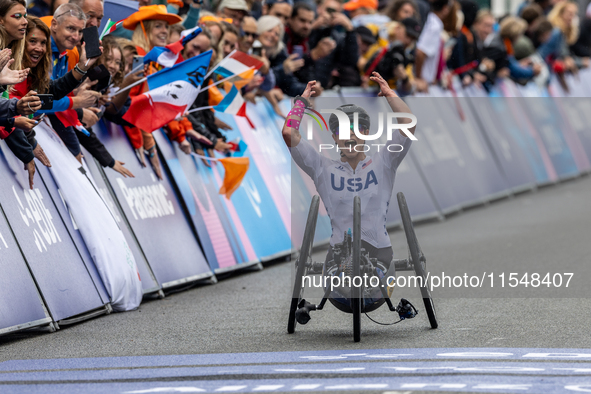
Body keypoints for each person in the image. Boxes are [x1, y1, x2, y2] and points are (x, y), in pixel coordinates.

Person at [282, 72, 415, 312]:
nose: (350, 136)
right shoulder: (322, 167)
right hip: (337, 257)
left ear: (366, 134)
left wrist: (390, 95)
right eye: (343, 132)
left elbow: (409, 124)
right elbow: (289, 134)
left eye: (357, 130)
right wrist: (300, 104)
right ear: (334, 137)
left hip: (380, 253)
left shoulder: (384, 161)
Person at [122, 4, 182, 179]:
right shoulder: (137, 58)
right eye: (158, 26)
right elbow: (130, 105)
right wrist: (145, 144)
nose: (165, 31)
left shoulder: (151, 61)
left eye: (166, 26)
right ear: (144, 29)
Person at [414, 0, 452, 92]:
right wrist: (419, 78)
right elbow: (420, 52)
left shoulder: (430, 19)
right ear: (445, 9)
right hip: (422, 85)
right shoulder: (435, 25)